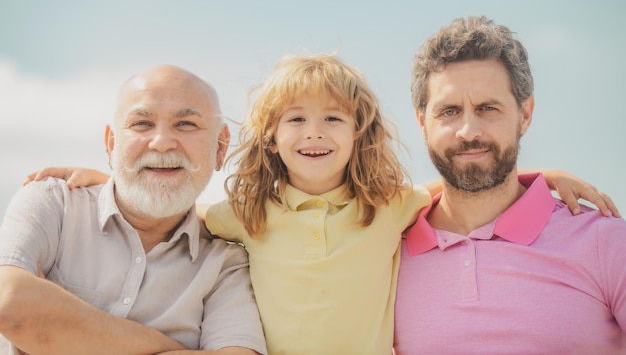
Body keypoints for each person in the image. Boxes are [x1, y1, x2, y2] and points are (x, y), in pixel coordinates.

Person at [24, 54, 620, 355]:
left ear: (358, 132)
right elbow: (179, 210)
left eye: (333, 119)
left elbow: (470, 185)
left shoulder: (389, 204)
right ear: (272, 137)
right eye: (296, 120)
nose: (315, 133)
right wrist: (112, 179)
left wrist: (543, 175)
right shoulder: (246, 215)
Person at [394, 15, 626, 354]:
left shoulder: (606, 242)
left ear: (525, 114)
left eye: (488, 108)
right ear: (421, 122)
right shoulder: (385, 253)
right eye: (449, 112)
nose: (468, 131)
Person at [0, 65, 267, 355]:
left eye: (186, 124)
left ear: (221, 146)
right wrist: (173, 349)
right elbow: (10, 304)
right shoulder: (52, 202)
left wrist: (58, 320)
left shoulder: (226, 265)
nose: (162, 142)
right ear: (111, 143)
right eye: (142, 123)